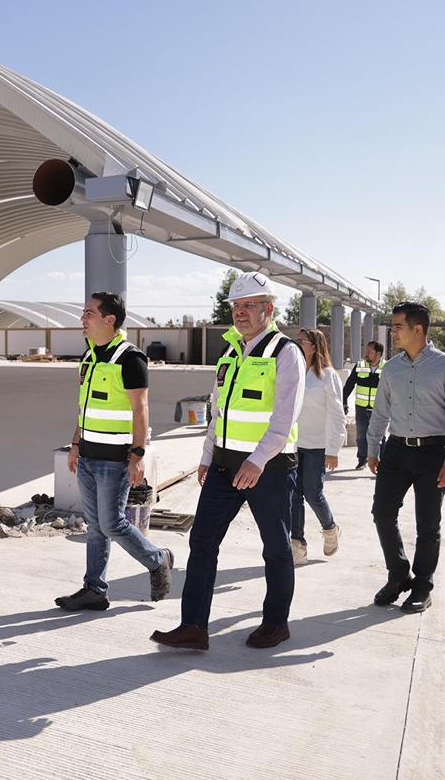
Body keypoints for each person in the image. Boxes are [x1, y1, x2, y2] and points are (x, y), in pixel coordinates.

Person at [151, 272, 305, 651]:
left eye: (249, 305)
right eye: (236, 306)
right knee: (202, 541)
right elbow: (217, 412)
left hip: (267, 468)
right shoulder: (230, 352)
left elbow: (284, 419)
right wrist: (206, 456)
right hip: (223, 466)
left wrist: (255, 461)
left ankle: (276, 623)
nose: (240, 312)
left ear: (269, 309)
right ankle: (193, 627)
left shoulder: (286, 353)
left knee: (275, 546)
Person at [54, 292, 173, 612]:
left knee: (112, 523)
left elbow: (141, 408)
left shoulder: (130, 358)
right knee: (95, 526)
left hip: (115, 458)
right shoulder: (89, 356)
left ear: (110, 320)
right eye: (83, 313)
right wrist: (75, 444)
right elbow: (85, 407)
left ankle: (158, 558)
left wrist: (138, 454)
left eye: (89, 313)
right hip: (88, 456)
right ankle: (94, 589)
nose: (83, 318)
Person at [368, 302, 445, 614]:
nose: (393, 332)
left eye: (398, 326)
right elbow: (381, 410)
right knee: (382, 513)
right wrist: (372, 448)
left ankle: (422, 585)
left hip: (432, 453)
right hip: (396, 451)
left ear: (418, 329)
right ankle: (399, 575)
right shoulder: (392, 368)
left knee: (428, 524)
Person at [290, 328, 346, 566]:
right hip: (293, 444)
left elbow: (337, 413)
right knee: (294, 495)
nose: (297, 344)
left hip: (317, 446)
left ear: (313, 345)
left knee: (313, 493)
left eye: (301, 341)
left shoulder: (328, 376)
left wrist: (333, 449)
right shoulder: (295, 373)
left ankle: (330, 528)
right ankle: (297, 545)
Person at [342, 341, 386, 469]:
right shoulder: (360, 365)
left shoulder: (387, 367)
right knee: (361, 435)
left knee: (380, 435)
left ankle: (383, 463)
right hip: (361, 407)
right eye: (366, 351)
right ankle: (362, 459)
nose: (366, 354)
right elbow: (349, 385)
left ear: (378, 353)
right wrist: (344, 401)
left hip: (379, 408)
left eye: (369, 351)